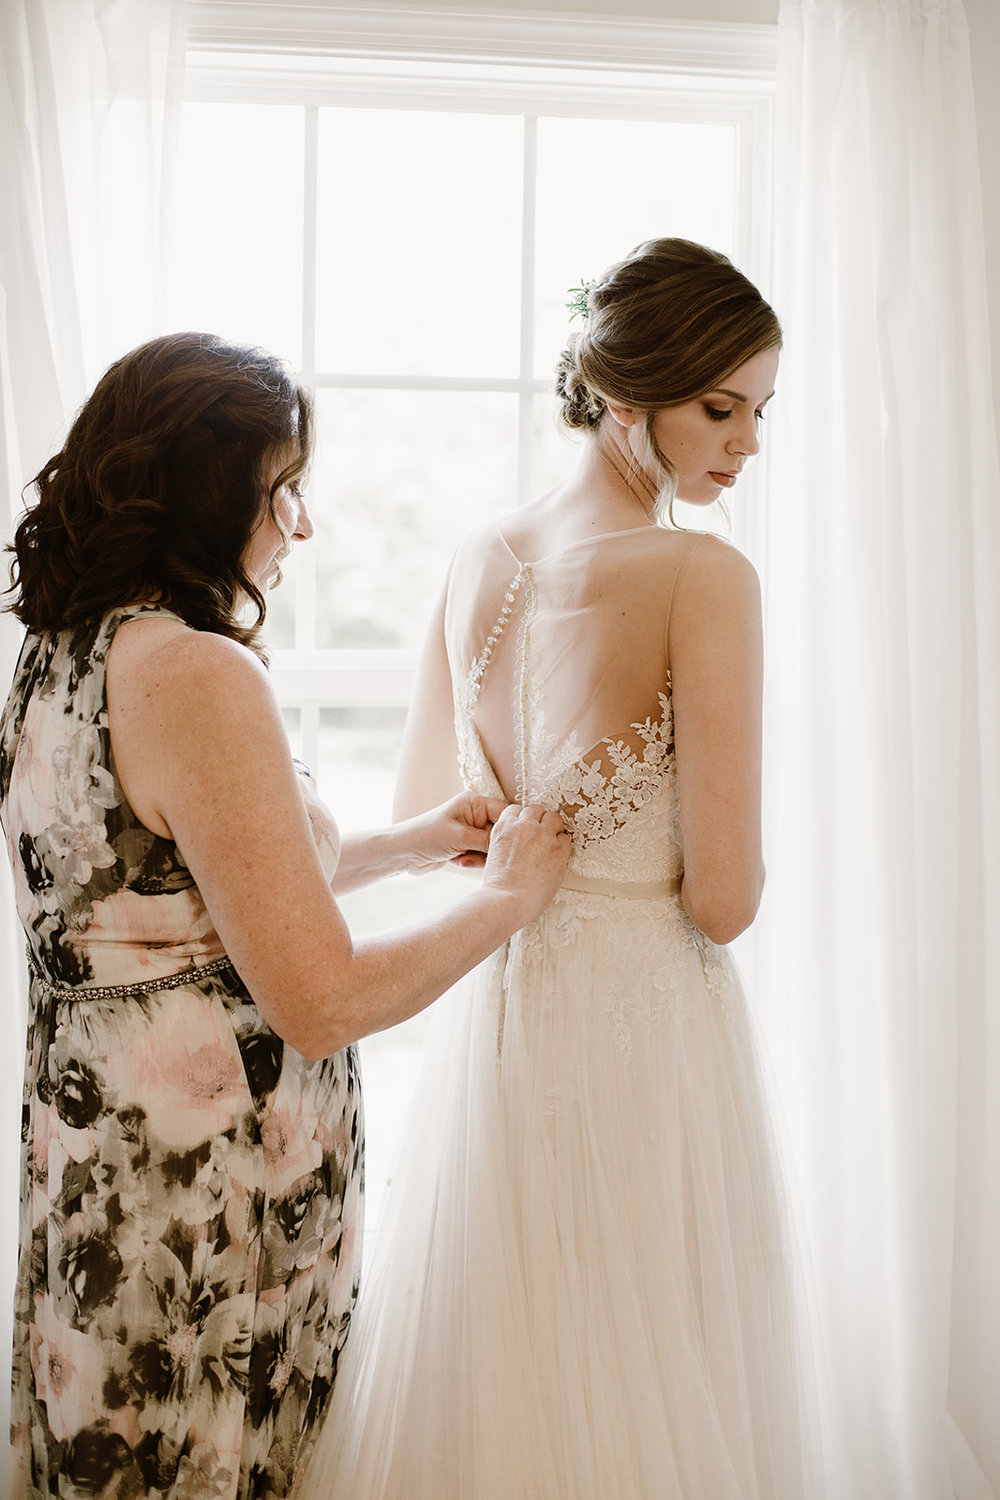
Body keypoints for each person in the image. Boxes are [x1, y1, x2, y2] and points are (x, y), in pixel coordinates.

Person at [0, 331, 570, 1499]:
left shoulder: (59, 653)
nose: (300, 525)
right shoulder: (197, 676)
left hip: (99, 1164)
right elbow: (321, 1000)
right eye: (283, 489)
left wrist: (413, 844)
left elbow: (174, 895)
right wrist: (511, 898)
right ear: (209, 495)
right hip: (205, 1202)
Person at [301, 239, 820, 1498]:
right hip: (648, 1029)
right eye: (719, 408)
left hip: (504, 1009)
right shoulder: (702, 574)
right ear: (625, 394)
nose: (744, 444)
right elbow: (724, 899)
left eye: (759, 412)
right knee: (650, 1364)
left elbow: (439, 817)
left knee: (506, 1351)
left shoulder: (480, 553)